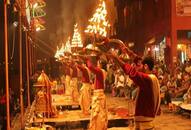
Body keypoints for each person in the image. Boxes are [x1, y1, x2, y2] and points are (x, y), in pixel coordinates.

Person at [109, 50, 160, 130]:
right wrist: (127, 51)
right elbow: (138, 59)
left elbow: (132, 72)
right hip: (145, 119)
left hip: (145, 122)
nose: (138, 67)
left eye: (140, 66)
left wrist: (116, 58)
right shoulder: (152, 77)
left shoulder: (148, 79)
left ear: (146, 66)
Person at [87, 57, 108, 130]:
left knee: (98, 116)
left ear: (101, 65)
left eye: (98, 63)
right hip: (99, 94)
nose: (97, 65)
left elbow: (90, 67)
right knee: (98, 115)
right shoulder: (102, 71)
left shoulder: (100, 71)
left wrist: (88, 58)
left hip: (98, 96)